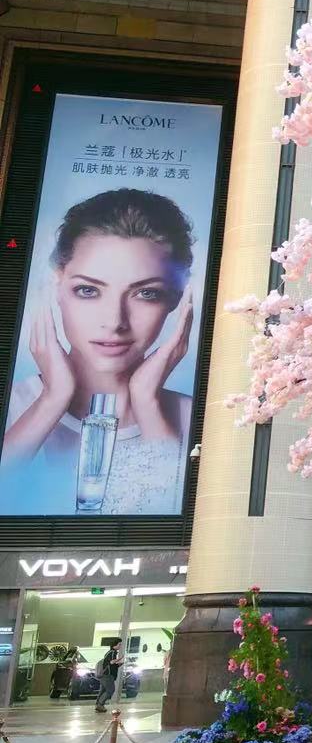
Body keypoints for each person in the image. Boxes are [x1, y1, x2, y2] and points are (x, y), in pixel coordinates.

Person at [1, 189, 194, 514]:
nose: (114, 321)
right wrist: (53, 399)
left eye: (146, 293)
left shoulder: (196, 419)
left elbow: (189, 526)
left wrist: (147, 402)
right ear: (56, 287)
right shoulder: (13, 404)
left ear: (177, 298)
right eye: (88, 290)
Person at [94, 641, 123, 712]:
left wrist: (119, 664)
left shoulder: (109, 653)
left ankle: (98, 705)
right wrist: (120, 659)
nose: (120, 646)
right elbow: (111, 662)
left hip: (104, 675)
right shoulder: (112, 652)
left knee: (103, 690)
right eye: (119, 644)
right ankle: (100, 704)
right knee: (110, 690)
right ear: (114, 645)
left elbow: (110, 664)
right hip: (107, 675)